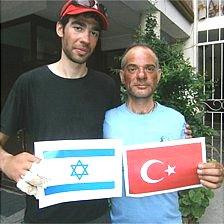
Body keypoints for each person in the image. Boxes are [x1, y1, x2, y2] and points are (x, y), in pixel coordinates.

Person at [0, 0, 120, 223]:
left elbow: (123, 136)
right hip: (44, 215)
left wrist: (173, 136)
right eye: (78, 27)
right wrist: (6, 162)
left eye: (94, 32)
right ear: (59, 29)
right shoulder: (30, 83)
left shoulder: (107, 86)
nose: (86, 38)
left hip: (96, 216)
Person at [103, 43, 224, 223]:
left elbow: (190, 172)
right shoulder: (107, 120)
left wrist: (212, 173)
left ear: (158, 76)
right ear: (122, 76)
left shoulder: (176, 120)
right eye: (132, 68)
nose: (141, 75)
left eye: (149, 68)